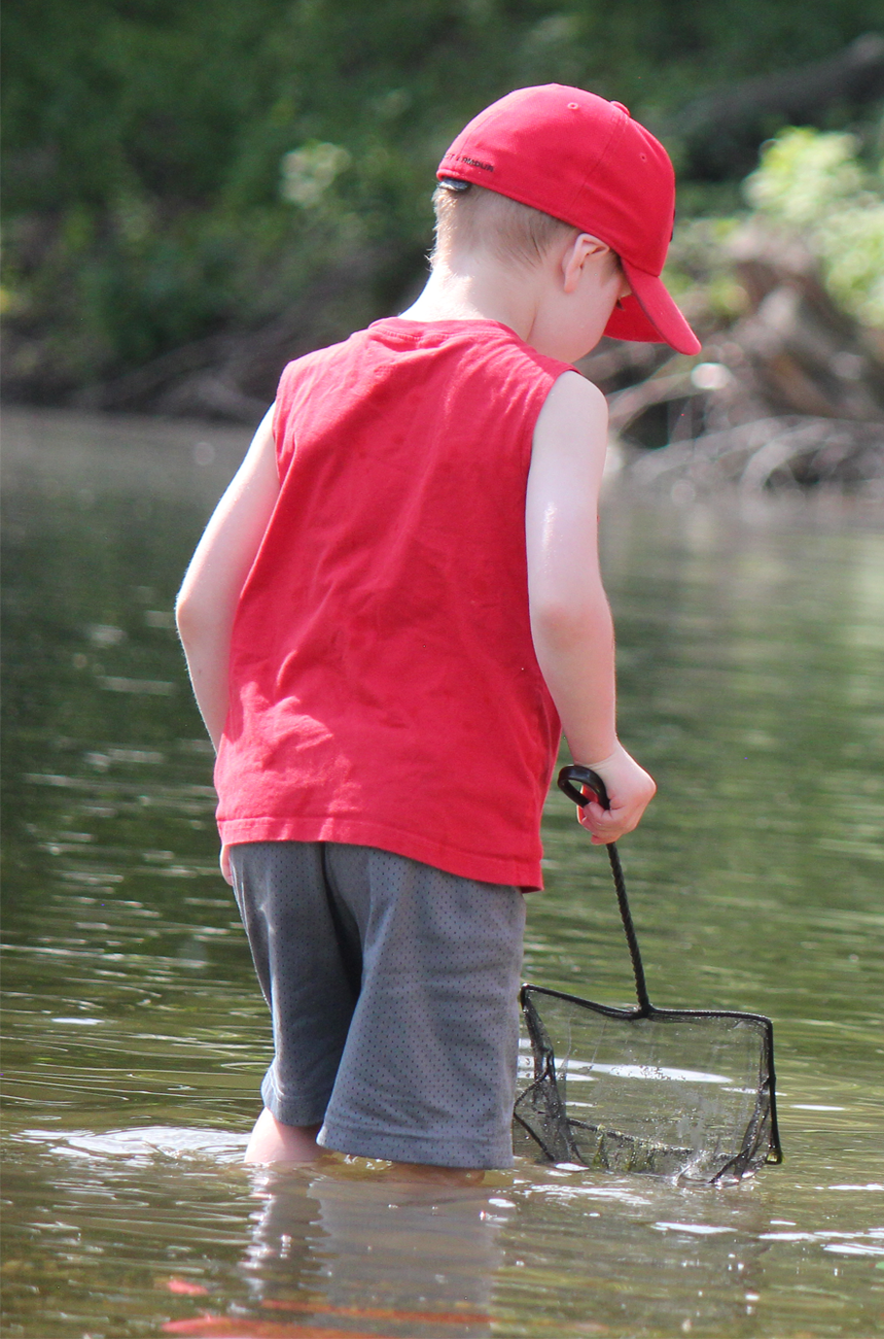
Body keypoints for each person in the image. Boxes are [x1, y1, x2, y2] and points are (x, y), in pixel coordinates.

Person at [173, 83, 701, 1177]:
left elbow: (199, 604)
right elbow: (562, 599)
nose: (605, 335)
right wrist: (600, 751)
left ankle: (261, 1289)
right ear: (580, 257)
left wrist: (250, 767)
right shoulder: (552, 400)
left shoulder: (310, 380)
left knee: (297, 1113)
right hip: (434, 823)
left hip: (274, 812)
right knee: (438, 1159)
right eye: (616, 302)